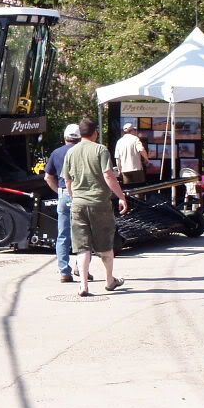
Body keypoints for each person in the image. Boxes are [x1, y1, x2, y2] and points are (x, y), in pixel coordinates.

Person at [62, 118, 129, 297]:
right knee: (106, 245)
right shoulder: (100, 150)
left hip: (78, 204)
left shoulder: (71, 152)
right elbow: (108, 175)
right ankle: (109, 281)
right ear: (95, 133)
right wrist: (121, 197)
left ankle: (83, 286)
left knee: (82, 247)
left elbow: (68, 180)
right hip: (100, 204)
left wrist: (74, 196)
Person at [45, 123, 85, 283]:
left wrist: (59, 192)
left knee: (63, 235)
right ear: (80, 137)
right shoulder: (83, 151)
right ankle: (81, 268)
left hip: (64, 194)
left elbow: (48, 177)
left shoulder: (56, 153)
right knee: (83, 234)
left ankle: (64, 272)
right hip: (82, 194)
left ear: (65, 137)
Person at [115, 123, 149, 187]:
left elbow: (117, 158)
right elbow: (141, 149)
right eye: (134, 130)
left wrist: (119, 170)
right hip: (136, 169)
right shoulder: (135, 139)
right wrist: (146, 159)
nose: (135, 131)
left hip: (125, 170)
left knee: (128, 191)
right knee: (139, 190)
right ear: (132, 130)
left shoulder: (119, 141)